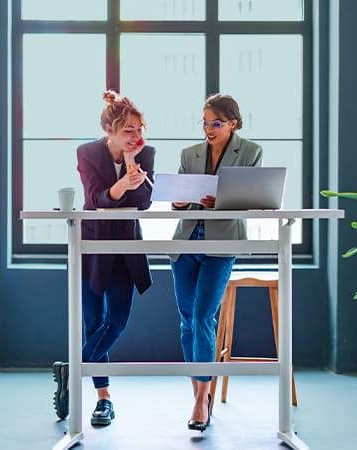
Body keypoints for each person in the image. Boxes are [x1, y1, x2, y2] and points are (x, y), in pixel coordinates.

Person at [53, 90, 155, 427]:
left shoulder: (145, 153)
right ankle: (103, 399)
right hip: (93, 245)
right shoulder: (87, 153)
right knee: (93, 323)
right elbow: (96, 199)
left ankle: (72, 370)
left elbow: (143, 203)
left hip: (126, 245)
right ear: (109, 129)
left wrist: (130, 166)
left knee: (118, 321)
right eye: (129, 130)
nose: (136, 137)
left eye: (140, 129)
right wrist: (122, 184)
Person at [170, 94, 262, 431]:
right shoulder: (188, 154)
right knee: (186, 321)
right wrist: (180, 201)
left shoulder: (250, 152)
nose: (209, 129)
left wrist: (219, 201)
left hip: (222, 241)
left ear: (233, 123)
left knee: (202, 316)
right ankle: (200, 393)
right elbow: (178, 205)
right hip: (186, 241)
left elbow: (251, 198)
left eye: (216, 123)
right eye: (205, 122)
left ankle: (200, 400)